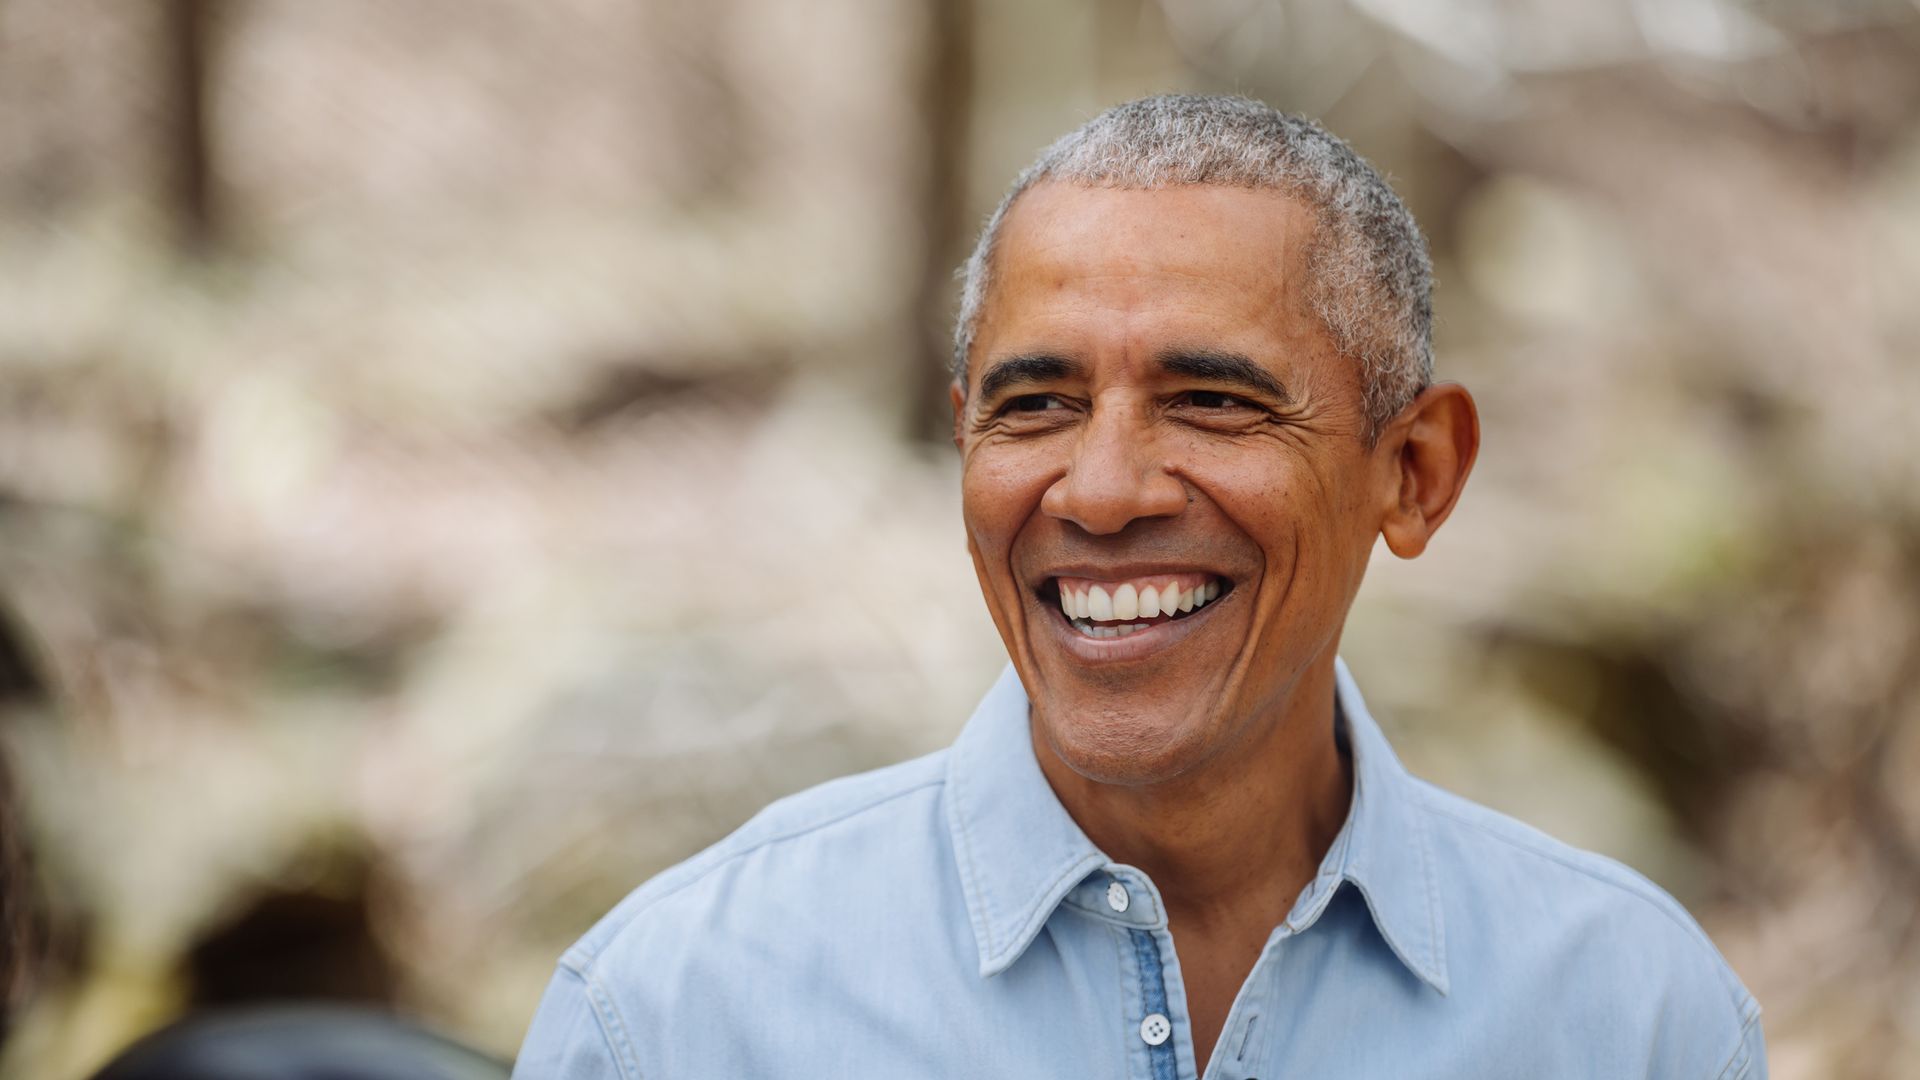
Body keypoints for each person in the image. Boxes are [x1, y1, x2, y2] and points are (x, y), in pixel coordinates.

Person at [511, 94, 1766, 1079]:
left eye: (1214, 401)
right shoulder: (677, 1015)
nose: (1100, 492)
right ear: (965, 443)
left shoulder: (1633, 1018)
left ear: (1416, 473)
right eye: (1037, 405)